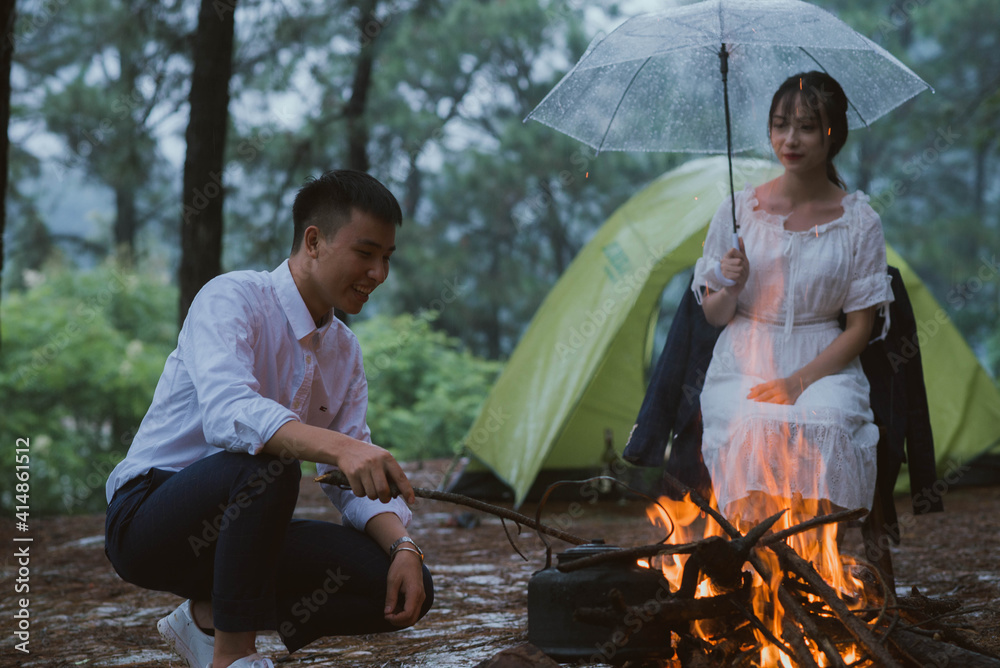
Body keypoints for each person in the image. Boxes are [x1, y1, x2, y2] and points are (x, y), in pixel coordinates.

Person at [104, 170, 433, 668]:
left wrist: (406, 546)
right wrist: (338, 447)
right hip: (149, 521)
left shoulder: (343, 350)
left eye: (387, 258)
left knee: (406, 585)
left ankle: (207, 618)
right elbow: (228, 413)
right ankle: (233, 657)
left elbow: (346, 482)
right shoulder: (231, 297)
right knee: (270, 460)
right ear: (314, 241)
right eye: (365, 253)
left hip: (244, 538)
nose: (379, 273)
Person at [692, 71, 894, 529]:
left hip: (824, 361)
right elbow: (713, 314)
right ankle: (759, 563)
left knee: (824, 423)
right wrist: (732, 286)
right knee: (753, 425)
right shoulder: (738, 211)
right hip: (745, 357)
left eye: (806, 126)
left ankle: (816, 559)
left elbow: (860, 329)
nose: (790, 139)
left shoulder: (860, 222)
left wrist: (796, 383)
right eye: (780, 125)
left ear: (832, 134)